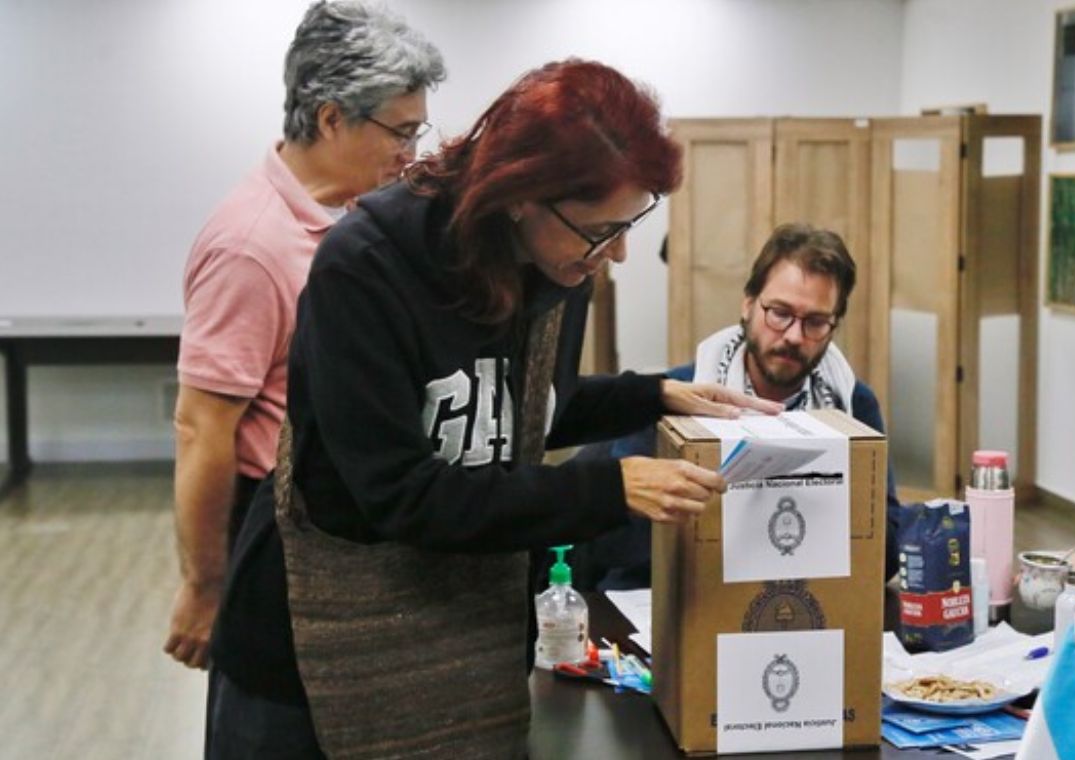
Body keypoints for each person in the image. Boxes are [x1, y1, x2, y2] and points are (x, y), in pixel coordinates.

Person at [205, 59, 780, 758]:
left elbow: (519, 414)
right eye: (601, 230)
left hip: (465, 630)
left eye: (629, 226)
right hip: (312, 647)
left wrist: (649, 393)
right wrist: (607, 488)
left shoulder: (556, 263)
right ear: (520, 196)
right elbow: (401, 492)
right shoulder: (366, 266)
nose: (617, 253)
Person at [165, 1, 444, 672]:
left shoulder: (358, 215)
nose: (410, 154)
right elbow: (202, 430)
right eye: (399, 133)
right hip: (275, 533)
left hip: (344, 526)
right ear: (330, 119)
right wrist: (206, 587)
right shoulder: (252, 246)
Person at [572, 223, 902, 591]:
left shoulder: (852, 404)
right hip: (671, 598)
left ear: (834, 325)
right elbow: (608, 545)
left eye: (815, 322)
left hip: (800, 597)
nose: (793, 336)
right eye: (779, 313)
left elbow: (885, 554)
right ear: (748, 305)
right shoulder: (679, 396)